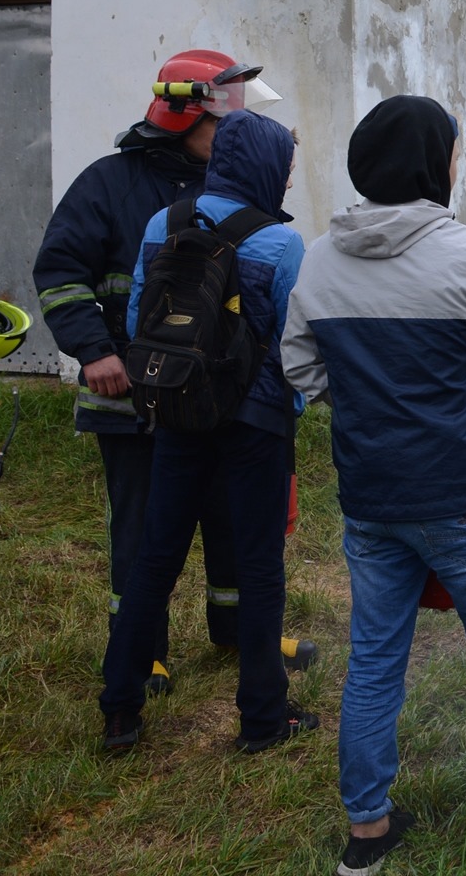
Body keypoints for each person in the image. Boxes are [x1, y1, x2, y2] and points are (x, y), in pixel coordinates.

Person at [282, 95, 466, 872]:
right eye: (453, 152)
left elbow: (299, 367)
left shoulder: (320, 259)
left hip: (371, 500)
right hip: (463, 501)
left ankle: (367, 833)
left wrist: (367, 405)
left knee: (375, 659)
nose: (456, 165)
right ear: (430, 164)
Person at [33, 50, 315, 693]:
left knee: (231, 517)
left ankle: (240, 630)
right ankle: (143, 652)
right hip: (133, 392)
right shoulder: (109, 184)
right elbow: (59, 272)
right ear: (185, 117)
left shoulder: (225, 193)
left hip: (224, 403)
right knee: (144, 530)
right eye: (225, 122)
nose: (235, 133)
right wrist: (95, 351)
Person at [98, 108, 317, 753]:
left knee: (154, 560)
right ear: (265, 166)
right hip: (255, 426)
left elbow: (138, 320)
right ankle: (263, 720)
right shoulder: (280, 243)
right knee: (259, 568)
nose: (288, 178)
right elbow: (294, 346)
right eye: (287, 166)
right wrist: (289, 410)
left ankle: (120, 710)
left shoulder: (162, 224)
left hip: (177, 415)